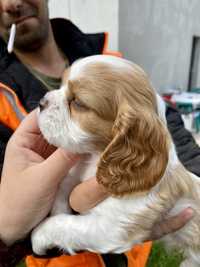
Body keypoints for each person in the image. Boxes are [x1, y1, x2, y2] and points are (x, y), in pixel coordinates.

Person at [0, 0, 197, 266]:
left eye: (76, 101)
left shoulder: (109, 58)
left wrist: (50, 230)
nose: (11, 2)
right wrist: (8, 229)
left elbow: (166, 124)